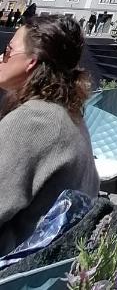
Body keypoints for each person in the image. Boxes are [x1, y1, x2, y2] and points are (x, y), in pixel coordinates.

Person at [0, 15, 99, 256]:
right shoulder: (69, 116)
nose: (1, 58)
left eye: (7, 51)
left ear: (31, 62)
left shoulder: (32, 121)